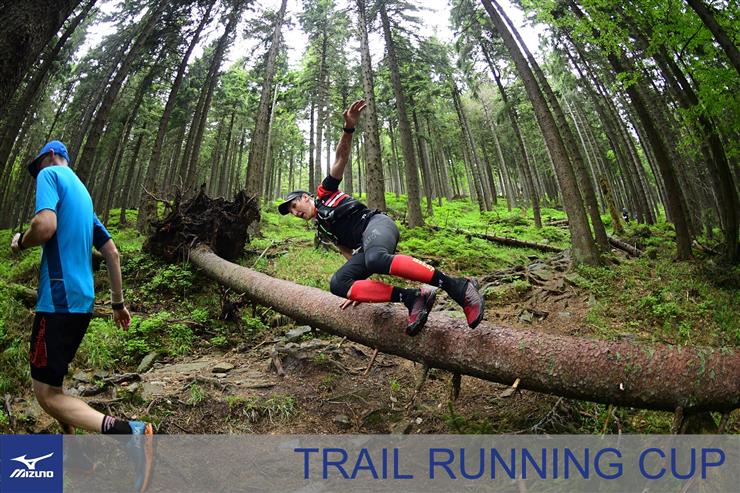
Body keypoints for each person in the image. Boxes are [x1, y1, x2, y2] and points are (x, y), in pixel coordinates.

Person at [10, 141, 154, 492]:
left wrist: (20, 242)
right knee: (55, 384)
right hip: (81, 304)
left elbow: (44, 226)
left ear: (50, 157)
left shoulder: (50, 176)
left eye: (38, 167)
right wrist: (118, 304)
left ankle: (130, 433)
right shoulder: (84, 196)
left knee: (45, 395)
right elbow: (112, 253)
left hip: (56, 302)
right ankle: (75, 456)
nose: (37, 175)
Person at [278, 100, 484, 335]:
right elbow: (347, 252)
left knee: (375, 258)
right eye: (291, 212)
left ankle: (457, 286)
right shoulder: (321, 229)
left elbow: (340, 159)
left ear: (305, 197)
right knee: (338, 283)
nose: (295, 212)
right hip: (366, 247)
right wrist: (356, 288)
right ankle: (413, 298)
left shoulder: (325, 193)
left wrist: (348, 128)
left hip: (377, 224)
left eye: (294, 205)